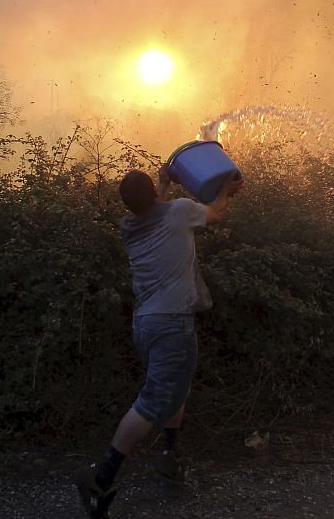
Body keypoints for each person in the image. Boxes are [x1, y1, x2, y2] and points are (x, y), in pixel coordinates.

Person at [74, 162, 244, 519]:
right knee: (152, 402)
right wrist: (225, 189)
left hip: (146, 324)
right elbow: (214, 214)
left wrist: (163, 185)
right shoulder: (179, 212)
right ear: (153, 194)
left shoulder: (130, 227)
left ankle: (168, 456)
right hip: (171, 325)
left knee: (174, 389)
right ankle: (101, 477)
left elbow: (154, 211)